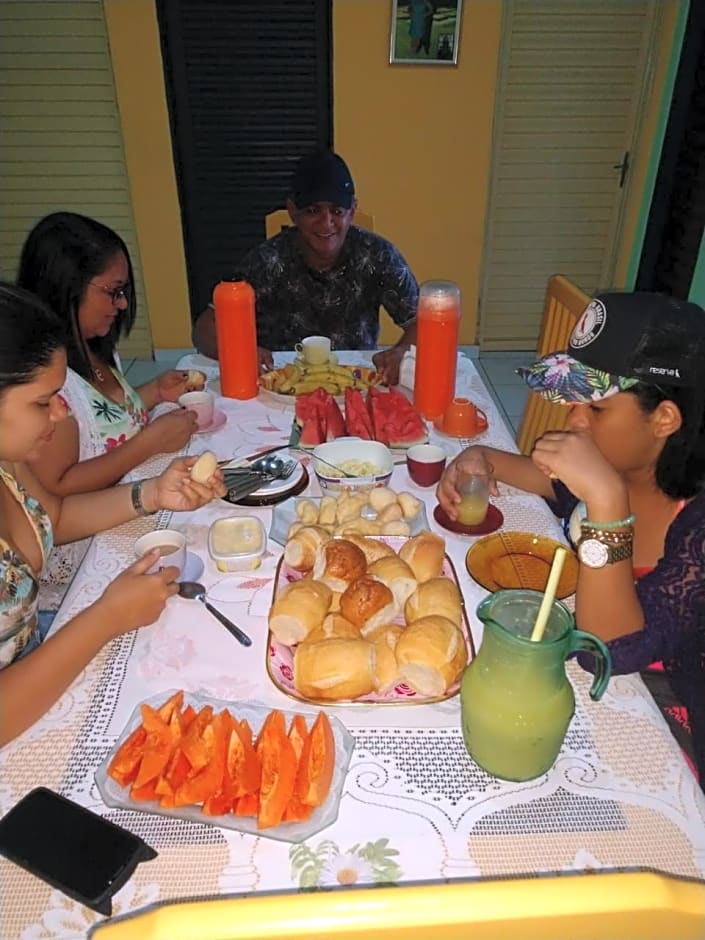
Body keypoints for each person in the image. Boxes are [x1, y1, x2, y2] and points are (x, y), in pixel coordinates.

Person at [437, 291, 705, 785]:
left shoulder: (693, 526)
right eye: (572, 401)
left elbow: (607, 650)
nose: (573, 421)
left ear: (665, 419)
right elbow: (542, 479)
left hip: (672, 718)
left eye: (596, 409)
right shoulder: (625, 463)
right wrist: (480, 458)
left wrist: (605, 501)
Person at [0, 283, 225, 746]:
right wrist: (105, 617)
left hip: (41, 657)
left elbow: (51, 518)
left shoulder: (10, 459)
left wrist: (154, 494)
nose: (63, 414)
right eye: (43, 402)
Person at [192, 149, 419, 386]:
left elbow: (422, 320)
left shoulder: (378, 255)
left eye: (337, 211)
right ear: (293, 212)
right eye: (312, 211)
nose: (326, 222)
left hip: (355, 382)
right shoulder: (267, 259)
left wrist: (403, 350)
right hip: (282, 383)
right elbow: (205, 328)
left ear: (352, 211)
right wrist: (242, 351)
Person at [17, 212, 198, 498]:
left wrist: (155, 392)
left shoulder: (95, 344)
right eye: (113, 291)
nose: (123, 303)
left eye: (124, 290)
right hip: (94, 527)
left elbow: (102, 421)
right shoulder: (50, 381)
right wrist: (149, 444)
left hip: (139, 492)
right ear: (66, 286)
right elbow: (57, 486)